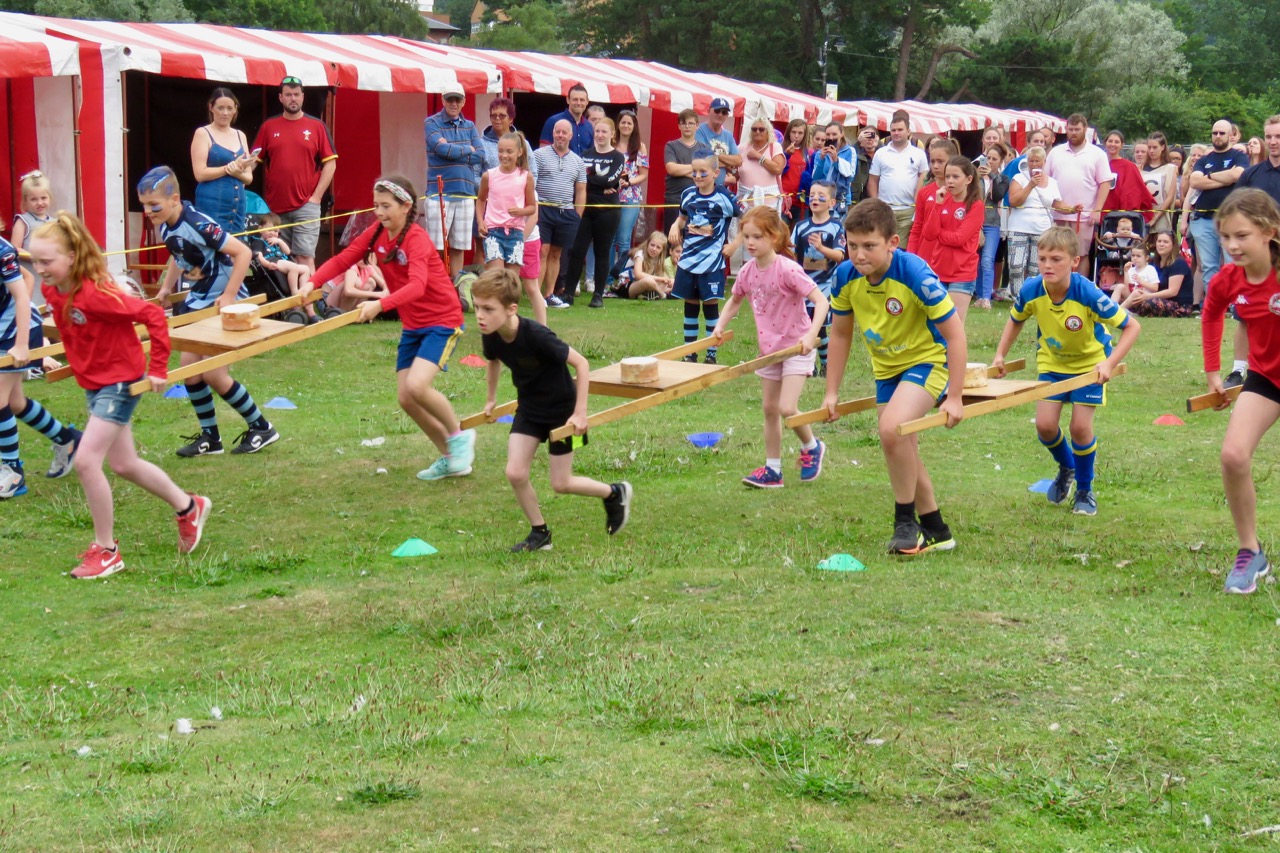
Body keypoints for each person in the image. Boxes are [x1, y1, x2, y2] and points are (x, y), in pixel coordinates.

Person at [30, 213, 211, 578]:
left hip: (119, 382)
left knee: (85, 461)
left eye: (46, 261)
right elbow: (73, 329)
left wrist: (158, 366)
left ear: (71, 257)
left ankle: (107, 549)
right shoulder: (53, 289)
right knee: (124, 465)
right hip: (95, 384)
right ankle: (188, 506)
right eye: (35, 261)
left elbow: (153, 316)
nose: (39, 269)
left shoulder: (98, 294)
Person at [303, 175, 476, 482]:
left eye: (386, 206)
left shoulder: (417, 239)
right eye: (376, 206)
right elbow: (345, 258)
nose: (379, 212)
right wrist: (313, 282)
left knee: (417, 387)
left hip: (442, 321)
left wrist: (379, 305)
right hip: (414, 325)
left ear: (406, 206)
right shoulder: (376, 233)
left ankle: (459, 437)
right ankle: (452, 459)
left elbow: (418, 286)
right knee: (406, 398)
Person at [824, 199, 966, 554]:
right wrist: (831, 393)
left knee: (891, 430)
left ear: (892, 243)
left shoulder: (914, 274)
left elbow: (955, 335)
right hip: (887, 370)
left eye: (869, 246)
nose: (859, 254)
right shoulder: (844, 276)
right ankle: (937, 529)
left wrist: (955, 396)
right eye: (852, 245)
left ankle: (905, 523)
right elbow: (840, 335)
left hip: (928, 363)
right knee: (900, 445)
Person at [474, 268, 632, 552]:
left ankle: (614, 493)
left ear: (511, 309)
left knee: (562, 483)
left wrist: (580, 413)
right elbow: (493, 361)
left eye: (487, 309)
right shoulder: (492, 333)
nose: (480, 316)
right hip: (530, 408)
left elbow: (582, 365)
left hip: (563, 410)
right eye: (476, 308)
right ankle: (540, 533)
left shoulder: (537, 335)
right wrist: (490, 399)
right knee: (515, 473)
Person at [991, 226, 1140, 518]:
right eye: (1043, 258)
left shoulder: (1086, 292)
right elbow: (1016, 319)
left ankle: (1085, 490)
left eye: (1056, 259)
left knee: (1080, 428)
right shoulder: (1032, 289)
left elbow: (1131, 326)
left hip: (1089, 365)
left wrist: (1108, 364)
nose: (1047, 265)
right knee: (1045, 426)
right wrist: (1000, 355)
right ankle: (1067, 467)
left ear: (1074, 261)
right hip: (1052, 364)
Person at [142, 167, 278, 457]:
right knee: (190, 372)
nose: (148, 211)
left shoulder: (199, 223)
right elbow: (179, 254)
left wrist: (229, 295)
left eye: (153, 205)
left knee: (214, 373)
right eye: (144, 205)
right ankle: (210, 438)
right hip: (200, 298)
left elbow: (242, 252)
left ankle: (262, 427)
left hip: (223, 299)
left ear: (175, 199)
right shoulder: (166, 224)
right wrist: (166, 287)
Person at [711, 206, 828, 488]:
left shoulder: (787, 268)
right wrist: (720, 324)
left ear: (774, 237)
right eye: (746, 237)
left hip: (797, 346)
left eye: (757, 237)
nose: (750, 243)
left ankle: (812, 446)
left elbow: (821, 301)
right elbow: (736, 299)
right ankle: (773, 470)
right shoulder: (748, 271)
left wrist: (811, 335)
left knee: (787, 407)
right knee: (769, 408)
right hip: (770, 350)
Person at [1200, 188, 1280, 592]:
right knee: (1233, 455)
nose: (1232, 245)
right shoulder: (1231, 278)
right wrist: (1213, 371)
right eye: (1225, 237)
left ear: (1269, 232)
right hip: (1267, 379)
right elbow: (1211, 312)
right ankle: (1251, 552)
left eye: (1242, 236)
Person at [0, 234, 81, 499]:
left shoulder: (2, 249)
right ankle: (67, 439)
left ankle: (12, 473)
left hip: (16, 327)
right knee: (14, 402)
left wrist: (22, 344)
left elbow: (23, 295)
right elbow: (28, 276)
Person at [251, 76, 337, 275]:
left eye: (296, 95)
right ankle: (288, 305)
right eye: (288, 94)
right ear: (280, 98)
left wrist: (316, 198)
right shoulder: (268, 127)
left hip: (307, 205)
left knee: (304, 257)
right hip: (275, 207)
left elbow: (330, 164)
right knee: (279, 256)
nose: (293, 99)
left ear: (303, 97)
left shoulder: (317, 126)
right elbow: (253, 161)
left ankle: (309, 304)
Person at [1190, 119, 1251, 387]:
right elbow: (1193, 181)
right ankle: (1214, 309)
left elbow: (1238, 176)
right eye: (1214, 132)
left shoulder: (1240, 156)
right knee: (1209, 268)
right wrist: (1216, 180)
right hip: (1203, 220)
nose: (1217, 136)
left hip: (1229, 221)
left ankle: (1237, 305)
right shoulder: (1204, 157)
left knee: (1233, 266)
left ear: (1232, 135)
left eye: (1222, 132)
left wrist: (1208, 179)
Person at [668, 153, 742, 365]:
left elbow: (748, 221)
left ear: (716, 174)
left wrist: (734, 245)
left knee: (710, 307)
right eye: (694, 172)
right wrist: (675, 226)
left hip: (712, 263)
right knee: (690, 306)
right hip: (689, 261)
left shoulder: (725, 198)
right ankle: (690, 352)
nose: (698, 176)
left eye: (703, 172)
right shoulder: (688, 195)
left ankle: (711, 353)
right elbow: (682, 218)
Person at [559, 118, 626, 310]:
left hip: (608, 211)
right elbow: (579, 180)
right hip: (584, 209)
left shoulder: (617, 156)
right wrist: (600, 183)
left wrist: (593, 180)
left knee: (602, 251)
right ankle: (569, 293)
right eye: (597, 131)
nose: (600, 135)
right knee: (576, 250)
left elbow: (610, 180)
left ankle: (598, 295)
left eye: (604, 132)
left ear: (612, 134)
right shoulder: (584, 154)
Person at [424, 89, 485, 282]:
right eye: (450, 99)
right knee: (437, 246)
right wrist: (468, 149)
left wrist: (451, 148)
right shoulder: (431, 122)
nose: (453, 103)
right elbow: (440, 148)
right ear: (442, 100)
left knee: (459, 245)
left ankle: (456, 287)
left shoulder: (470, 125)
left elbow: (481, 155)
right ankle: (438, 286)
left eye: (457, 100)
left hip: (466, 193)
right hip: (438, 193)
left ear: (464, 101)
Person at [917, 155, 984, 322]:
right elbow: (929, 233)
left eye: (955, 177)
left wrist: (940, 233)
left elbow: (959, 239)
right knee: (933, 324)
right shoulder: (942, 199)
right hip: (938, 269)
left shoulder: (975, 205)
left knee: (953, 326)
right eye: (948, 177)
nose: (950, 181)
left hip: (962, 273)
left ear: (968, 179)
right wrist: (937, 205)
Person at [1045, 114, 1113, 271]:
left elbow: (1105, 183)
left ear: (1085, 130)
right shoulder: (1055, 152)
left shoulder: (1097, 154)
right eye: (1070, 129)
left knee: (1080, 255)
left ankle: (1079, 291)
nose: (1073, 133)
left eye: (1077, 129)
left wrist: (1097, 210)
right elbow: (1046, 181)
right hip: (1057, 214)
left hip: (1083, 216)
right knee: (1057, 253)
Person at [791, 182, 846, 376]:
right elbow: (792, 253)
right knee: (803, 326)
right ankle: (809, 365)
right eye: (812, 195)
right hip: (803, 286)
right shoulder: (800, 227)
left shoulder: (836, 227)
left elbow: (840, 255)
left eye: (820, 195)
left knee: (820, 326)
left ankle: (826, 364)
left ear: (831, 202)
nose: (815, 198)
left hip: (824, 285)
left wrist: (822, 248)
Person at [1005, 146, 1069, 301]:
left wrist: (1073, 209)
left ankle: (1035, 299)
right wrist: (1030, 185)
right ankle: (1018, 298)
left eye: (1037, 161)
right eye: (1031, 161)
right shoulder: (1019, 178)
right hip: (1018, 228)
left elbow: (1057, 204)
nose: (1034, 164)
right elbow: (1014, 201)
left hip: (1042, 230)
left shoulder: (1052, 182)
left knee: (1036, 267)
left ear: (1044, 162)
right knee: (1016, 266)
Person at [534, 120, 587, 310]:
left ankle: (549, 295)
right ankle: (536, 295)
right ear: (553, 133)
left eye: (564, 132)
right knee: (543, 251)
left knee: (556, 254)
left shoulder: (578, 161)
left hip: (566, 212)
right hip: (543, 210)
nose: (561, 135)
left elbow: (581, 190)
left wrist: (577, 215)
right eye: (558, 132)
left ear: (571, 136)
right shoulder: (538, 156)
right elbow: (530, 182)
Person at [190, 87, 255, 235]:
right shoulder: (203, 133)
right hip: (211, 203)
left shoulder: (240, 135)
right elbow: (199, 173)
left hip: (237, 205)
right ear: (211, 108)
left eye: (229, 108)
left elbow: (248, 178)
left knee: (235, 247)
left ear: (235, 110)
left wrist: (238, 171)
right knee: (213, 244)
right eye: (220, 108)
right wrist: (228, 168)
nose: (225, 113)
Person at [476, 131, 537, 276]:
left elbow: (532, 207)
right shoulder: (489, 175)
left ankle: (511, 300)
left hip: (516, 233)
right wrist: (480, 221)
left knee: (511, 280)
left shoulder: (526, 177)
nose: (504, 156)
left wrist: (520, 211)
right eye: (500, 151)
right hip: (493, 231)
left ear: (520, 152)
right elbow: (480, 199)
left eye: (509, 152)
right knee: (497, 277)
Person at [868, 110, 930, 245]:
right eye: (893, 130)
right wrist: (876, 203)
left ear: (908, 131)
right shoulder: (881, 153)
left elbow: (924, 178)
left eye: (900, 129)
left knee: (901, 249)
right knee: (883, 246)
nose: (896, 133)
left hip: (908, 210)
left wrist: (918, 204)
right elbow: (873, 180)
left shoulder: (919, 154)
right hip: (885, 209)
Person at [609, 110, 649, 284]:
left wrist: (630, 182)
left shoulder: (640, 146)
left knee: (624, 239)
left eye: (629, 123)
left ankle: (622, 277)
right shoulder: (611, 144)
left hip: (631, 196)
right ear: (618, 125)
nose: (625, 126)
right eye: (623, 122)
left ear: (634, 126)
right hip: (611, 195)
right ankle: (608, 278)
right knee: (609, 239)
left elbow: (644, 174)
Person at [1119, 233, 1194, 317]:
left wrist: (1148, 296)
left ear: (1173, 245)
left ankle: (1119, 312)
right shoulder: (1154, 263)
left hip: (1178, 305)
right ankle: (1122, 310)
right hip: (1156, 298)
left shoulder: (1178, 263)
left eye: (1165, 242)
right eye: (1159, 241)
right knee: (1131, 297)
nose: (1161, 244)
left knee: (1149, 303)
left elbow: (1173, 291)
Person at [976, 144, 1011, 310]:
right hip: (975, 223)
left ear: (1001, 161)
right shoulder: (975, 177)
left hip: (992, 224)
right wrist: (977, 176)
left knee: (987, 260)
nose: (989, 161)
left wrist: (990, 174)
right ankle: (977, 294)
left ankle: (986, 297)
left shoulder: (1003, 178)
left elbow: (998, 194)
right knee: (975, 260)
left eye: (994, 159)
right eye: (987, 158)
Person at [906, 137, 955, 254]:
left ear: (952, 161)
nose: (935, 166)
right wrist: (911, 256)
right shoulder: (924, 192)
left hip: (949, 257)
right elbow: (917, 228)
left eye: (940, 161)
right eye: (932, 161)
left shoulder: (962, 193)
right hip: (926, 255)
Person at [1101, 130, 1156, 226]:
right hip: (1097, 211)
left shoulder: (1129, 166)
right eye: (1110, 141)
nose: (1113, 144)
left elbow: (1133, 193)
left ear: (1122, 145)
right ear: (1105, 143)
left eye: (1117, 142)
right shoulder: (1098, 163)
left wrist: (1125, 215)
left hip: (1120, 216)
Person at [663, 109, 702, 233]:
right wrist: (696, 167)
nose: (687, 126)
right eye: (683, 123)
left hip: (698, 201)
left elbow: (707, 174)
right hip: (675, 200)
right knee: (672, 241)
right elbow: (671, 169)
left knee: (695, 240)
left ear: (697, 126)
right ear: (679, 126)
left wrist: (682, 169)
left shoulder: (704, 148)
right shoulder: (671, 146)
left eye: (691, 123)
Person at [803, 123, 856, 214]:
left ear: (842, 134)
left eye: (834, 134)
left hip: (841, 197)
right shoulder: (819, 153)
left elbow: (851, 175)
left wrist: (836, 160)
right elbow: (816, 178)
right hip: (823, 196)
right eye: (828, 134)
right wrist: (822, 160)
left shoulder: (849, 151)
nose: (831, 138)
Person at [738, 118, 786, 212]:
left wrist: (759, 157)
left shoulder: (775, 146)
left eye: (761, 129)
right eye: (754, 129)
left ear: (768, 131)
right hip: (745, 205)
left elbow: (778, 169)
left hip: (769, 205)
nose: (757, 132)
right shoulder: (742, 148)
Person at [607, 231, 673, 299]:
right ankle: (663, 295)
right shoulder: (640, 254)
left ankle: (648, 294)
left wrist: (668, 280)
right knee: (649, 281)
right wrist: (660, 279)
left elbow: (662, 276)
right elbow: (638, 275)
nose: (654, 249)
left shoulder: (659, 260)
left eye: (658, 247)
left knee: (673, 281)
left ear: (662, 250)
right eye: (652, 245)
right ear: (647, 244)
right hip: (627, 285)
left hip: (644, 285)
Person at [696, 98, 742, 187]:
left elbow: (738, 160)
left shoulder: (728, 135)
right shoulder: (699, 130)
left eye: (724, 112)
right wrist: (728, 163)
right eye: (717, 111)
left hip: (721, 188)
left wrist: (715, 156)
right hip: (703, 187)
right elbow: (703, 160)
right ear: (709, 111)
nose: (720, 114)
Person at [539, 83, 593, 155]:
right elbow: (543, 152)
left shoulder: (589, 126)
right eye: (575, 99)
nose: (579, 103)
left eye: (582, 100)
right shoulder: (553, 121)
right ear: (568, 100)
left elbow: (592, 154)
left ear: (587, 102)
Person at [1144, 132, 1179, 232]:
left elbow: (1170, 197)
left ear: (1163, 147)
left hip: (1161, 216)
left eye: (1155, 147)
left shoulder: (1170, 169)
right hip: (1144, 214)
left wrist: (1155, 218)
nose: (1151, 151)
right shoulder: (1140, 168)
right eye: (1149, 147)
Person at [1110, 241, 1160, 306]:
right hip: (1130, 296)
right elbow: (1127, 286)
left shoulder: (1150, 269)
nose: (1135, 258)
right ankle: (1111, 306)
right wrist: (1125, 271)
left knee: (1137, 292)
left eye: (1138, 256)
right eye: (1133, 255)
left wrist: (1141, 282)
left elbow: (1155, 288)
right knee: (1120, 286)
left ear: (1146, 258)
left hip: (1143, 298)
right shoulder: (1131, 269)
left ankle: (1119, 311)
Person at [780, 120, 810, 224]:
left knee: (800, 235)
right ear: (788, 132)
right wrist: (786, 155)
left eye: (800, 133)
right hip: (784, 199)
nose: (796, 136)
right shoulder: (780, 149)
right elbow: (777, 171)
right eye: (793, 132)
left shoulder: (808, 152)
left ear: (805, 134)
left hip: (801, 200)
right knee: (781, 235)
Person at [852, 127, 877, 204]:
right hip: (859, 199)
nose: (869, 139)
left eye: (872, 135)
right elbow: (849, 154)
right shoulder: (855, 153)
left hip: (879, 197)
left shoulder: (883, 153)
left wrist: (878, 143)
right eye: (866, 136)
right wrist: (857, 143)